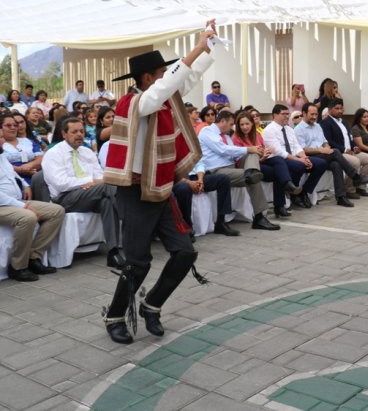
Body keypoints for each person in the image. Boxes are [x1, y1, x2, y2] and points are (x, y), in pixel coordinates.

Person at [101, 22, 217, 345]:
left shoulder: (159, 98)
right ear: (148, 78)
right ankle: (114, 315)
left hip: (159, 188)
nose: (168, 77)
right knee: (137, 262)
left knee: (184, 253)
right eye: (162, 72)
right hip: (136, 191)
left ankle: (152, 304)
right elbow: (170, 85)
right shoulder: (136, 103)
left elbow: (186, 78)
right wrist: (194, 48)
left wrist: (207, 48)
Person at [43, 116, 122, 261]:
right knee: (109, 187)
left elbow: (100, 176)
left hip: (91, 194)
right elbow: (61, 183)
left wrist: (93, 183)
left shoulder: (87, 152)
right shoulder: (53, 154)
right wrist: (89, 181)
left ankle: (113, 251)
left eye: (81, 131)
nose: (79, 134)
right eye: (74, 132)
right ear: (64, 134)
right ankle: (130, 215)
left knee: (107, 201)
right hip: (65, 198)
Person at [198, 109, 280, 230]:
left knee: (253, 159)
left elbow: (234, 155)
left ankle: (252, 172)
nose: (232, 128)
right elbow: (222, 149)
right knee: (253, 174)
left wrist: (259, 153)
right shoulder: (207, 132)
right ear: (222, 121)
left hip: (231, 167)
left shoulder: (226, 136)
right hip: (217, 170)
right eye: (231, 124)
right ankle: (259, 218)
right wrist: (248, 149)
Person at [0, 148, 64, 281]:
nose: (2, 141)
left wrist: (25, 185)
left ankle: (34, 257)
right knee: (27, 217)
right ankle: (17, 267)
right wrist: (24, 206)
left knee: (56, 211)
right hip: (4, 205)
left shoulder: (2, 156)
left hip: (15, 202)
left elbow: (12, 174)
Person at [296, 103, 368, 207]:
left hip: (323, 155)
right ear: (304, 113)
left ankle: (340, 197)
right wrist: (322, 150)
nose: (314, 117)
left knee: (336, 165)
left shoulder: (317, 126)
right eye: (312, 114)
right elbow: (302, 149)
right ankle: (355, 176)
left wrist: (327, 147)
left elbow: (325, 141)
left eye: (316, 114)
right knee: (336, 151)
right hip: (309, 157)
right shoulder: (298, 129)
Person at [232, 110, 301, 218]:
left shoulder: (256, 135)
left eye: (247, 124)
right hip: (247, 167)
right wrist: (259, 156)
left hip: (261, 162)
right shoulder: (235, 138)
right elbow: (237, 159)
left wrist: (266, 154)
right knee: (277, 170)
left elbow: (262, 151)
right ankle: (283, 197)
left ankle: (285, 190)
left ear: (252, 124)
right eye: (242, 124)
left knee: (278, 160)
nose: (245, 127)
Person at [262, 104, 327, 209]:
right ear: (274, 115)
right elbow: (279, 152)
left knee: (321, 163)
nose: (287, 117)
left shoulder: (289, 129)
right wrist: (300, 160)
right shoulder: (269, 130)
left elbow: (297, 146)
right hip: (279, 159)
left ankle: (303, 191)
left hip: (293, 157)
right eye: (284, 114)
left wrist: (304, 157)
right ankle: (293, 192)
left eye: (288, 114)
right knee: (299, 165)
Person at [320, 98, 368, 198]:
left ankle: (360, 187)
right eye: (337, 108)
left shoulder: (344, 122)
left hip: (351, 151)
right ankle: (349, 190)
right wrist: (344, 150)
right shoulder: (325, 123)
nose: (340, 111)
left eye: (341, 108)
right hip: (339, 153)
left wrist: (354, 146)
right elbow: (328, 141)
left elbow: (350, 138)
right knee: (355, 162)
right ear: (329, 110)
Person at [172, 156, 238, 239]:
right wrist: (188, 182)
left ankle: (221, 222)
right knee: (184, 189)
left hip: (196, 176)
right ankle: (188, 228)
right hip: (179, 180)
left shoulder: (191, 145)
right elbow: (170, 170)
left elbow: (200, 163)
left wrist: (200, 180)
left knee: (223, 180)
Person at [1, 113, 42, 184]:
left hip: (35, 177)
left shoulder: (28, 141)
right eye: (8, 125)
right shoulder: (0, 144)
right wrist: (19, 170)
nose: (13, 127)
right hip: (11, 180)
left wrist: (30, 165)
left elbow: (40, 158)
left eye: (15, 125)